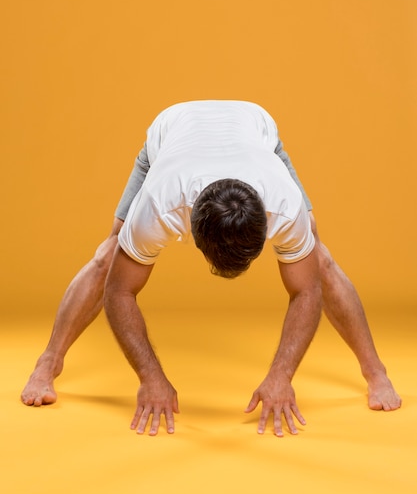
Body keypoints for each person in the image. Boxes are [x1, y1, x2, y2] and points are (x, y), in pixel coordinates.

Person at [21, 100, 401, 437]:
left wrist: (282, 376)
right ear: (190, 233)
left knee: (318, 255)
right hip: (172, 130)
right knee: (109, 255)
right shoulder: (161, 204)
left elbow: (307, 290)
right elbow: (119, 291)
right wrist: (150, 378)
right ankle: (48, 363)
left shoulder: (284, 206)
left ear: (267, 225)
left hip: (254, 125)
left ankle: (376, 373)